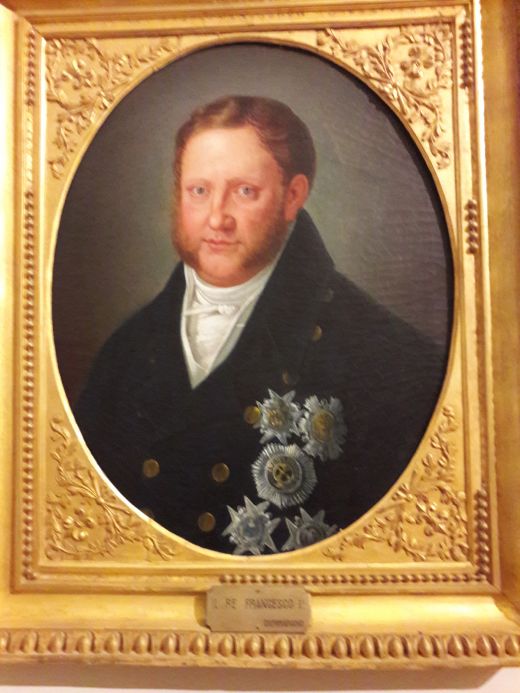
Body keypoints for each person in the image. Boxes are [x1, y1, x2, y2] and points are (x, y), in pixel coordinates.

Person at [75, 95, 445, 555]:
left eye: (245, 191)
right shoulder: (124, 352)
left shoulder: (389, 360)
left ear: (293, 197)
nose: (217, 218)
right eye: (199, 191)